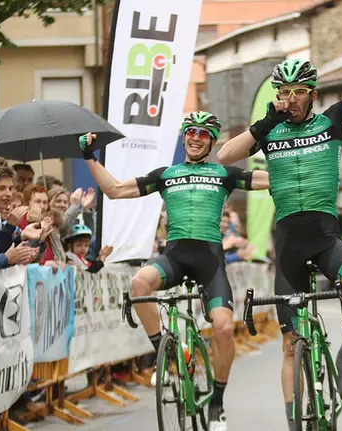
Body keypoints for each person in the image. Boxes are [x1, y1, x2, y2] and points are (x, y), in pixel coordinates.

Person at [216, 5, 342, 426]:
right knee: (288, 344)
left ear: (312, 94)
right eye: (283, 92)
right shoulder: (271, 131)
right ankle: (293, 421)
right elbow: (225, 156)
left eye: (298, 91)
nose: (290, 99)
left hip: (324, 236)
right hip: (289, 247)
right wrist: (263, 125)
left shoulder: (333, 121)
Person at [78, 111, 270, 431]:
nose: (195, 138)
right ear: (184, 138)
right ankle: (164, 356)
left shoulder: (223, 173)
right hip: (175, 255)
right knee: (140, 283)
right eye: (190, 132)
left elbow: (271, 180)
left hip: (209, 259)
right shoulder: (166, 174)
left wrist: (292, 157)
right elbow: (114, 190)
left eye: (203, 134)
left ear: (211, 141)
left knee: (223, 329)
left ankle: (218, 403)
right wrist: (88, 155)